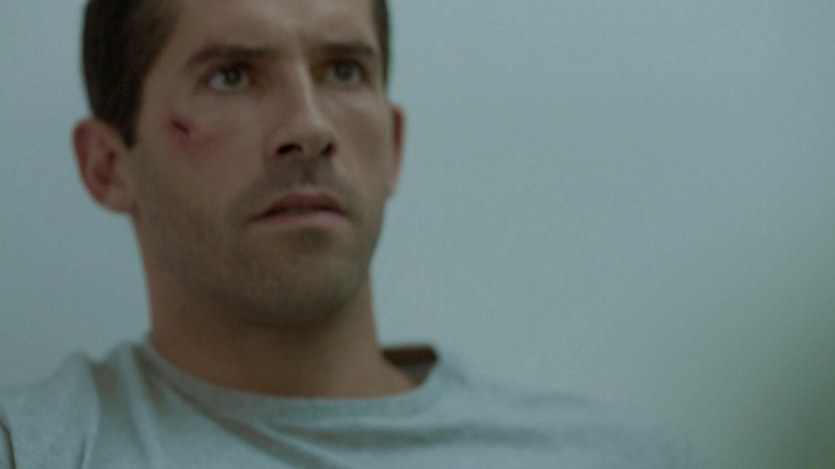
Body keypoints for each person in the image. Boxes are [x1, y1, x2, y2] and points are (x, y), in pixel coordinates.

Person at [0, 0, 694, 467]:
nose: (309, 127)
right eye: (232, 76)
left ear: (392, 145)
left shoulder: (618, 456)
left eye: (342, 70)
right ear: (107, 166)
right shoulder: (37, 448)